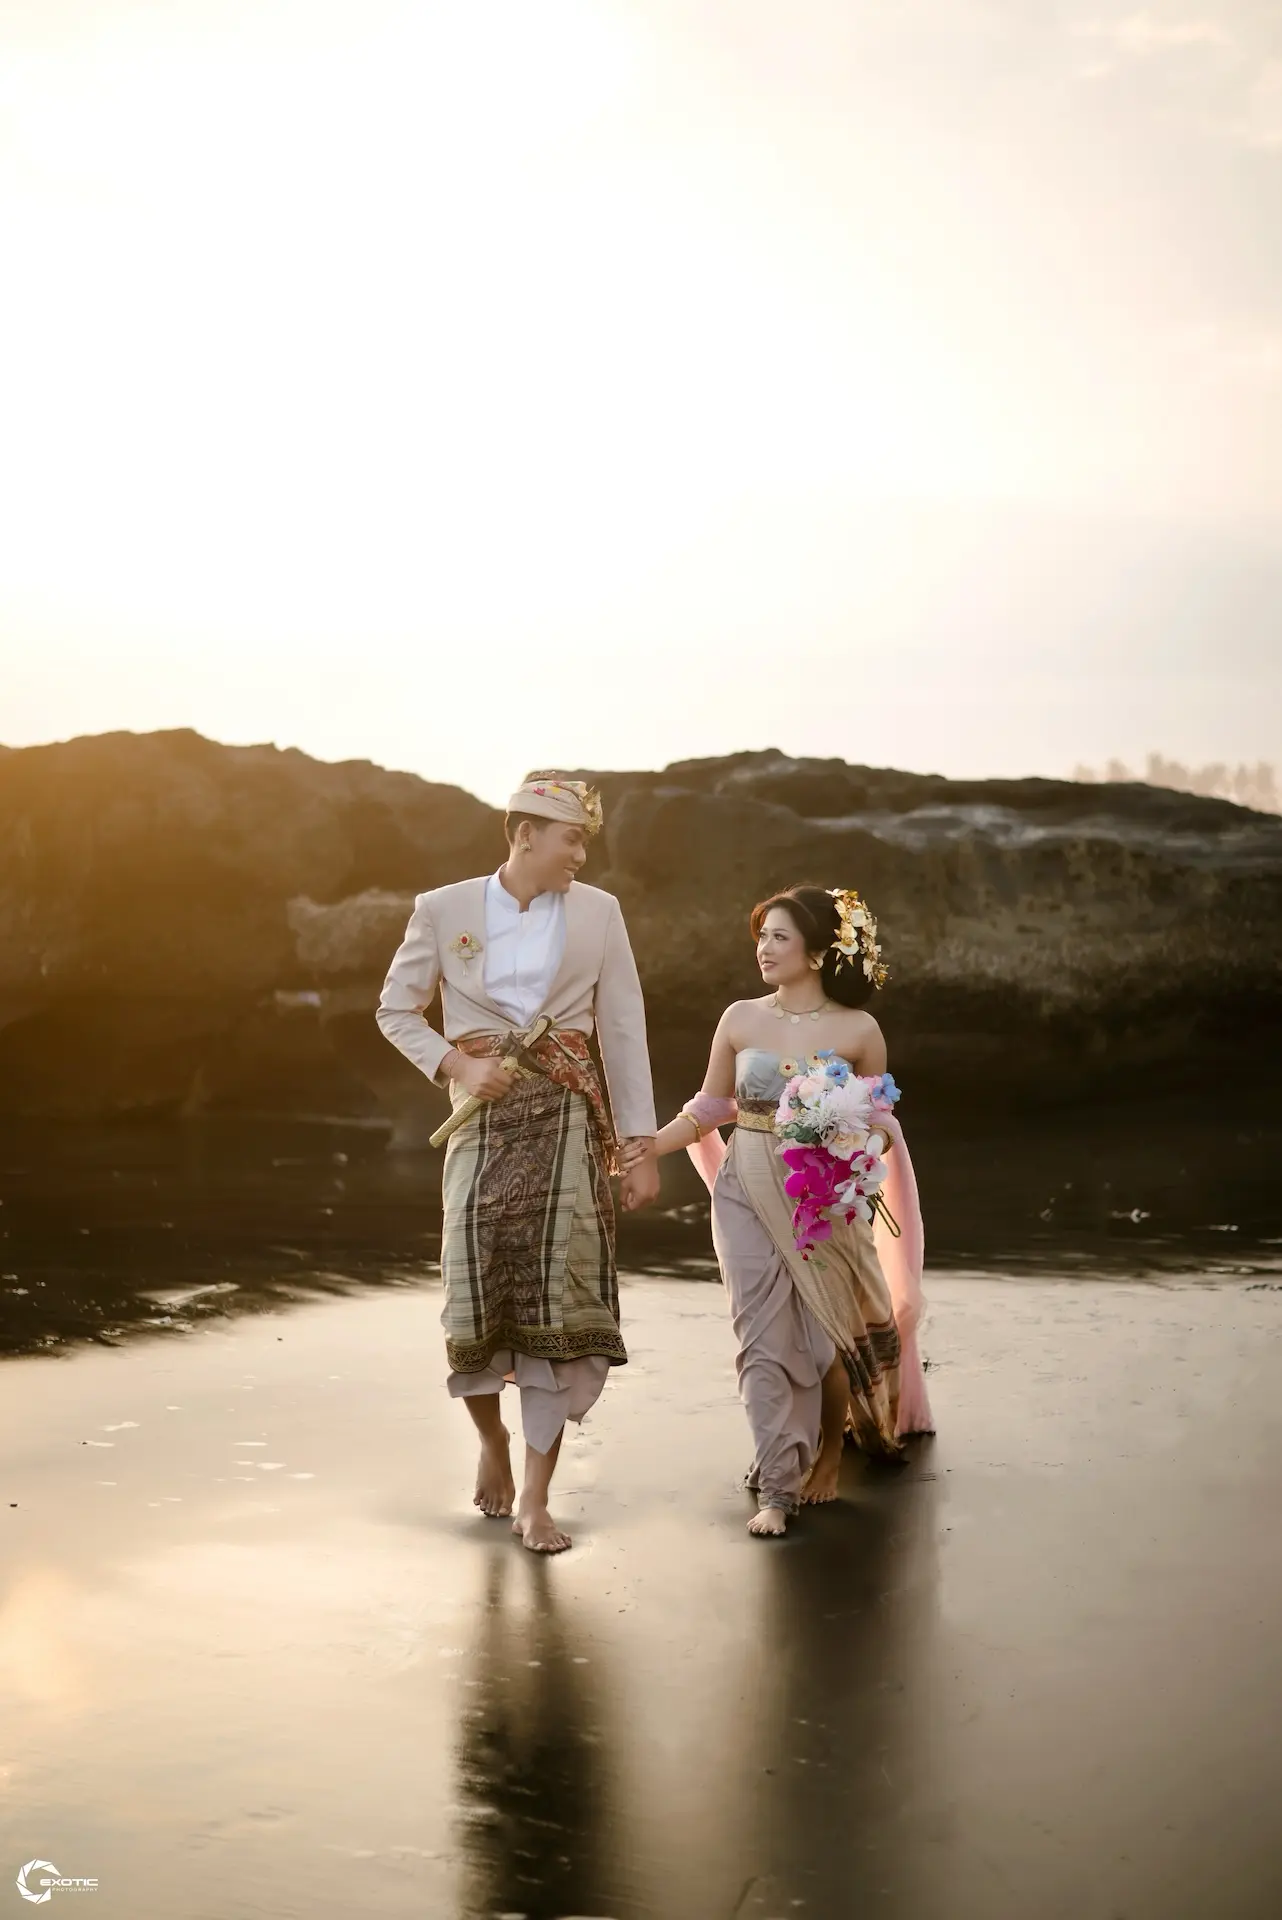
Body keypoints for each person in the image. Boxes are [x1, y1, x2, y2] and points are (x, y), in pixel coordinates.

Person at [376, 771, 659, 1552]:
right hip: (480, 1124)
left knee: (553, 1305)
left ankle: (537, 1496)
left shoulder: (600, 913)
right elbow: (395, 1009)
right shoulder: (443, 909)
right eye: (572, 839)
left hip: (569, 1118)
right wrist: (457, 1065)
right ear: (525, 834)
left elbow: (622, 1029)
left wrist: (637, 1147)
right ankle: (491, 1439)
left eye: (586, 841)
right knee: (471, 1293)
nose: (581, 855)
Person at [622, 884, 932, 1537]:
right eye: (761, 936)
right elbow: (711, 1108)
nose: (763, 948)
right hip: (746, 1183)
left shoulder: (859, 1030)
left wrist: (853, 1149)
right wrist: (651, 1143)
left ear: (816, 952)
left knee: (825, 1333)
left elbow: (879, 1119)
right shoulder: (740, 1017)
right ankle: (778, 1482)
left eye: (779, 937)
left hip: (822, 1193)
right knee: (759, 1335)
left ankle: (826, 1452)